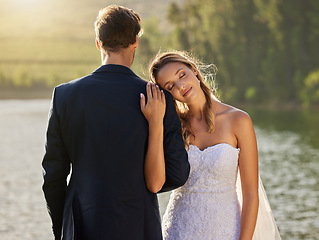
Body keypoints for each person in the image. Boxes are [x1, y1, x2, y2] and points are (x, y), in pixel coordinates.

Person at [41, 6, 190, 240]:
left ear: (98, 43)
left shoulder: (64, 96)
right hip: (138, 223)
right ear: (135, 42)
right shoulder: (158, 98)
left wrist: (62, 228)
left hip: (81, 224)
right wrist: (138, 186)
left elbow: (53, 176)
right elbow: (178, 172)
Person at [144, 51, 281, 239]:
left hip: (225, 230)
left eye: (182, 75)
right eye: (170, 86)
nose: (181, 86)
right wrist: (155, 123)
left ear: (194, 70)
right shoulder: (173, 127)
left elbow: (250, 193)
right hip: (178, 230)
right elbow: (154, 183)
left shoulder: (238, 120)